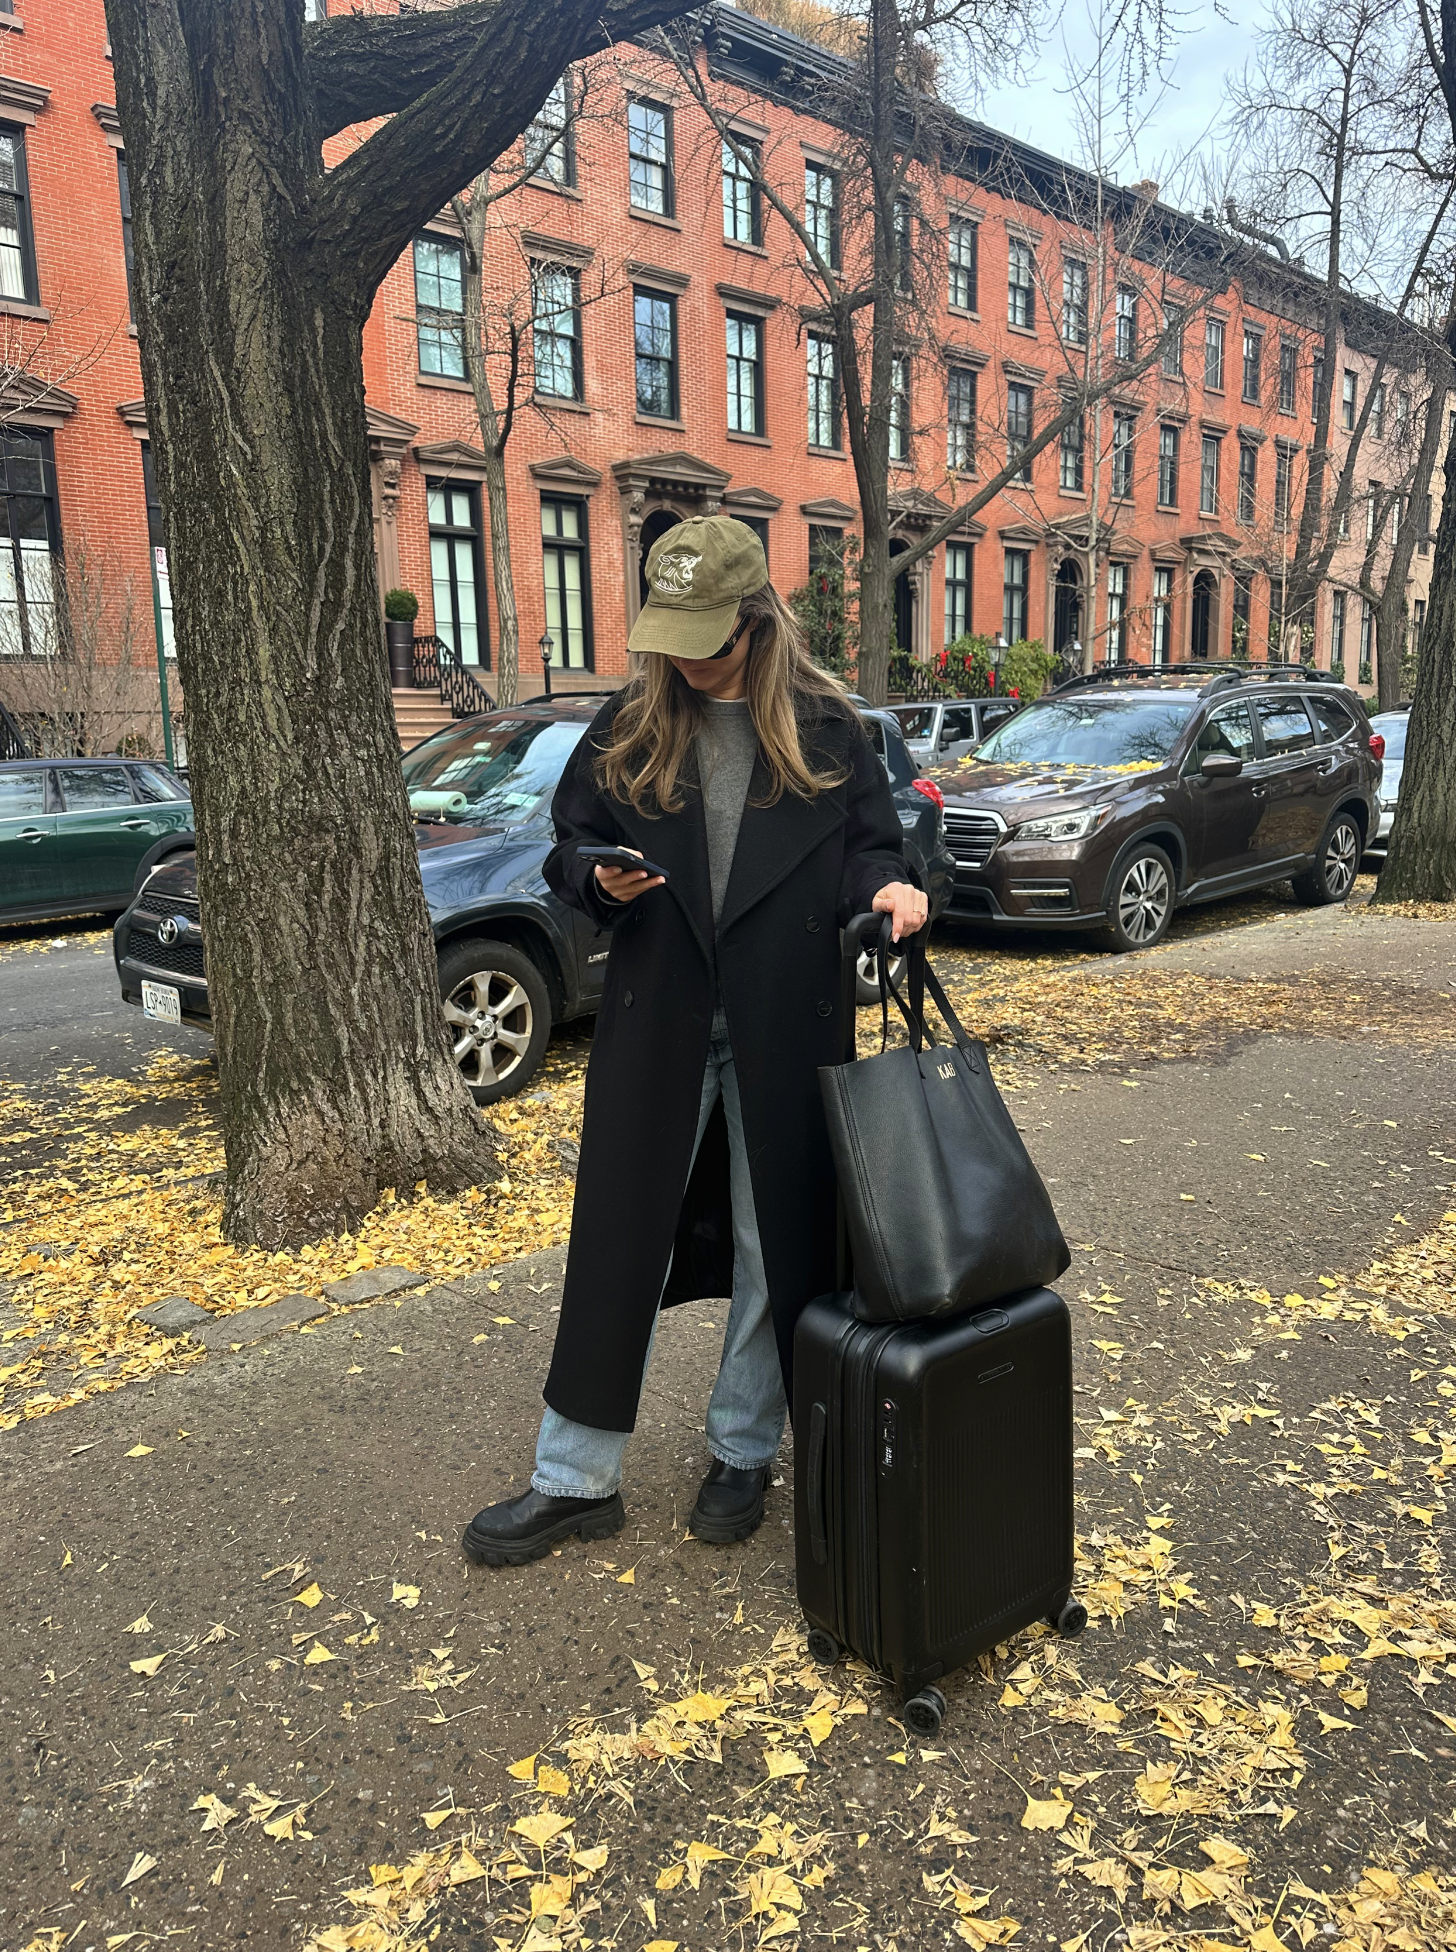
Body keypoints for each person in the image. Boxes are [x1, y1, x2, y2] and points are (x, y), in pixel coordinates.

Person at [462, 515, 927, 1567]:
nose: (682, 655)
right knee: (615, 1242)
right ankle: (573, 1477)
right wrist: (596, 878)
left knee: (780, 1248)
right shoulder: (632, 721)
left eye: (704, 635)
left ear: (758, 621)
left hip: (787, 1017)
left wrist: (891, 889)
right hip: (657, 1015)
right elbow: (567, 848)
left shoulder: (828, 731)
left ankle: (742, 1447)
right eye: (669, 633)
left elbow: (870, 849)